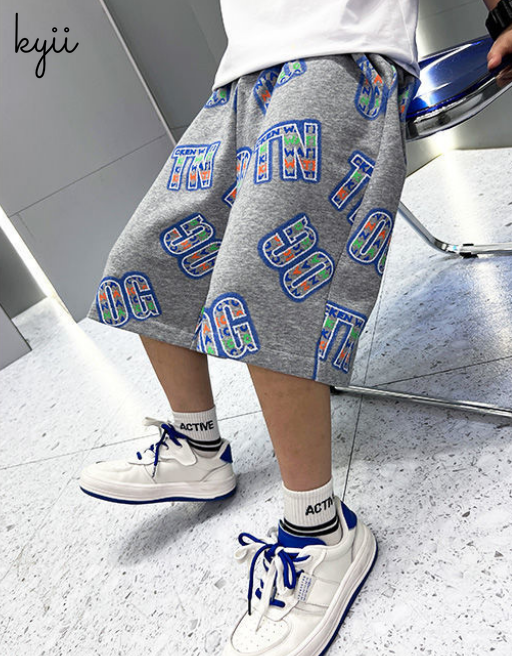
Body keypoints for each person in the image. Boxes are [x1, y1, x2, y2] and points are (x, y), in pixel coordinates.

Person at [79, 1, 512, 654]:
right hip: (245, 71)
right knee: (148, 254)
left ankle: (321, 534)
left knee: (263, 280)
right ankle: (198, 449)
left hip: (342, 53)